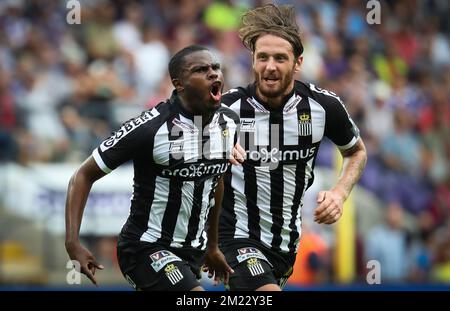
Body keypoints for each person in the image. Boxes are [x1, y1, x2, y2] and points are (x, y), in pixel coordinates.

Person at [65, 45, 243, 291]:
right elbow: (82, 176)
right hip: (144, 248)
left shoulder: (229, 123)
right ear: (179, 84)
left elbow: (215, 180)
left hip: (193, 252)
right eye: (201, 70)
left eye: (215, 68)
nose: (213, 74)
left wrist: (212, 246)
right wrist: (73, 242)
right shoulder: (150, 127)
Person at [215, 4, 367, 291]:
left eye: (280, 58)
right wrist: (215, 145)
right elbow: (181, 145)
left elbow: (356, 151)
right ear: (253, 61)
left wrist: (339, 193)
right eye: (263, 57)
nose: (270, 66)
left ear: (298, 63)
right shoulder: (225, 108)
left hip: (285, 245)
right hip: (234, 239)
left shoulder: (324, 107)